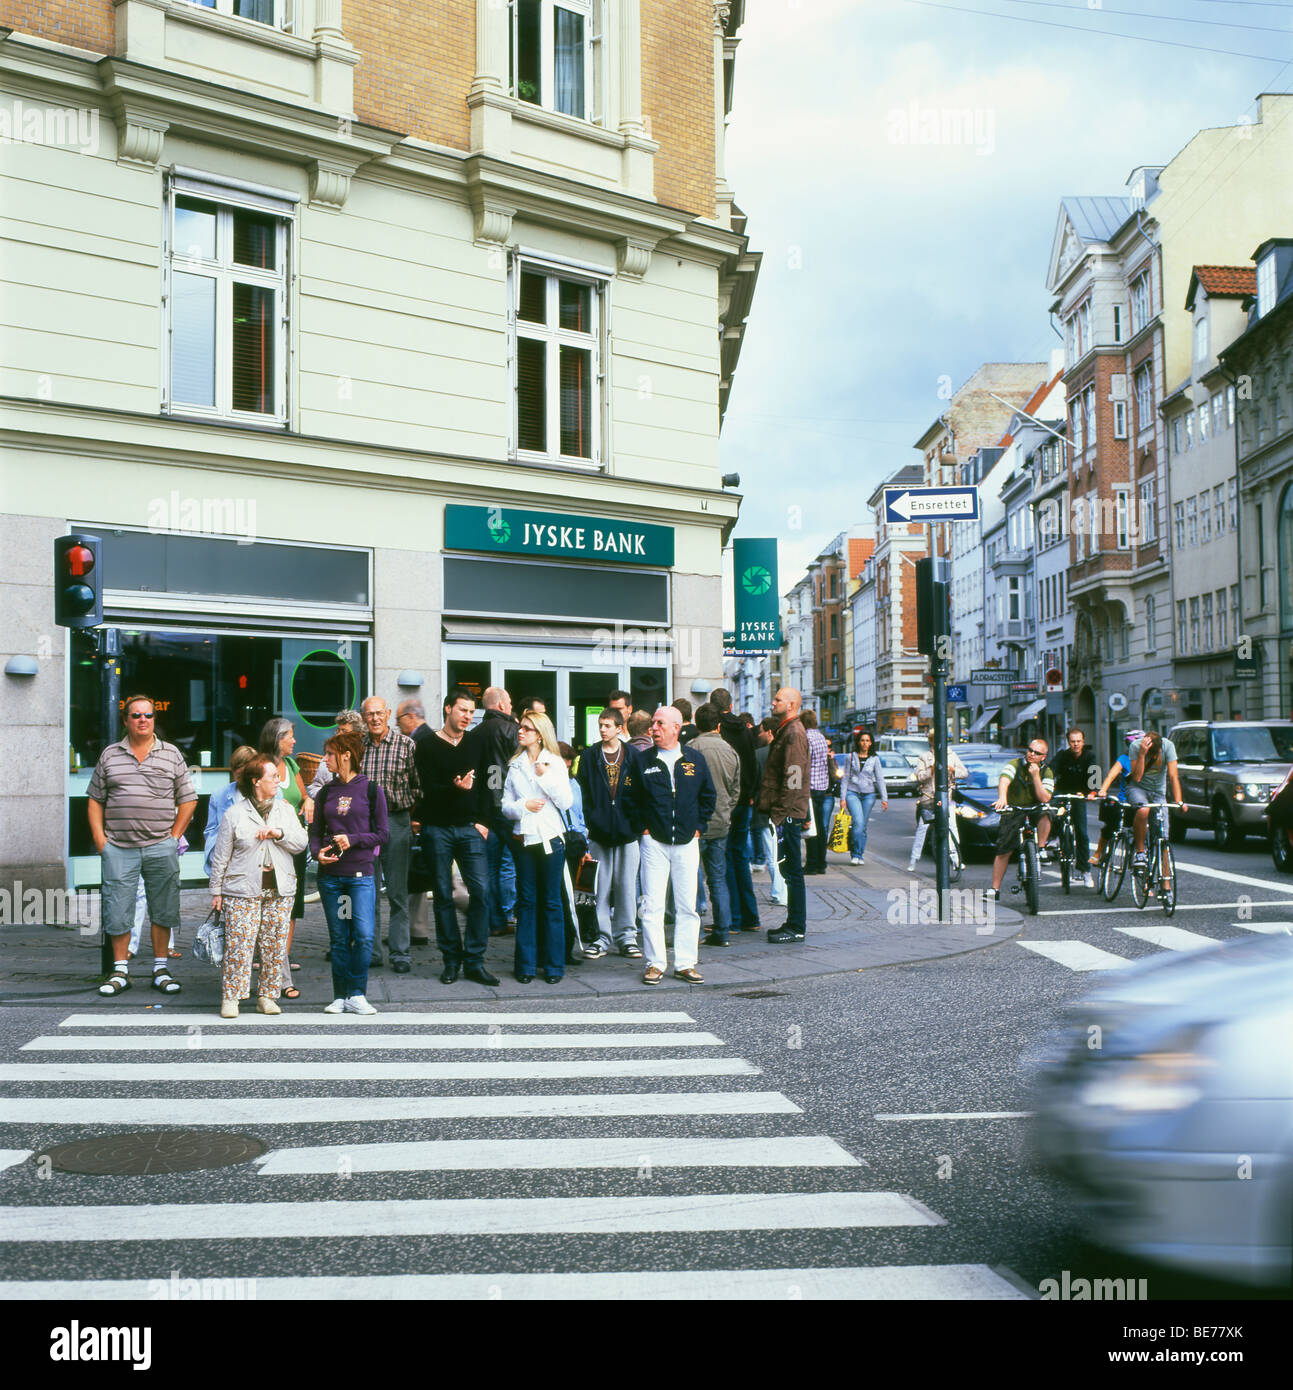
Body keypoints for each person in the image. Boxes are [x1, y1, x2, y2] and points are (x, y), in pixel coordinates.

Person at [90, 695, 197, 998]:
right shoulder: (110, 755)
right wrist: (101, 842)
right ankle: (120, 970)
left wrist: (174, 837)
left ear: (154, 720)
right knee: (117, 907)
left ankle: (160, 968)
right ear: (125, 720)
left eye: (148, 715)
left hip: (160, 845)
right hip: (119, 847)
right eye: (136, 715)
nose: (142, 720)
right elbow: (95, 799)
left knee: (163, 909)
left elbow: (188, 799)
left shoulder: (171, 754)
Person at [208, 754, 308, 1018]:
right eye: (272, 776)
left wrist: (279, 833)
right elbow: (221, 855)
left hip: (279, 888)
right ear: (256, 782)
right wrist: (216, 891)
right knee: (239, 945)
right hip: (241, 889)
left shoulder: (284, 809)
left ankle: (267, 995)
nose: (278, 781)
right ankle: (231, 997)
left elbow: (301, 842)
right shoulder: (235, 814)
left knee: (274, 946)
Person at [624, 706, 716, 984]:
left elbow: (708, 796)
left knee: (687, 905)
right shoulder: (641, 761)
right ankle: (655, 963)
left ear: (676, 727)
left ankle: (686, 963)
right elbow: (630, 799)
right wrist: (644, 828)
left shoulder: (695, 760)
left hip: (687, 842)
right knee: (651, 905)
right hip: (654, 842)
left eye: (660, 723)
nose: (654, 728)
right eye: (653, 723)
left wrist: (699, 828)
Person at [414, 687, 499, 986]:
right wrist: (455, 787)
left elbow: (492, 779)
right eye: (462, 710)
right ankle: (451, 960)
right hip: (437, 828)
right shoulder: (425, 745)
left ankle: (474, 960)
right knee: (443, 896)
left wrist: (486, 820)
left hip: (471, 828)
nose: (467, 716)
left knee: (482, 892)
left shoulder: (478, 743)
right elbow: (424, 790)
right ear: (448, 708)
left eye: (471, 712)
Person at [311, 729, 389, 1014]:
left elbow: (382, 834)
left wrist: (353, 839)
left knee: (365, 935)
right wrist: (316, 852)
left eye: (330, 754)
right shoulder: (326, 792)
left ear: (347, 755)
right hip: (331, 878)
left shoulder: (371, 790)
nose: (325, 759)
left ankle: (357, 993)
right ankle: (340, 995)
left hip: (360, 876)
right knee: (340, 938)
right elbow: (316, 830)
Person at [502, 712, 572, 984]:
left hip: (550, 838)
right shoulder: (515, 764)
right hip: (524, 839)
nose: (521, 731)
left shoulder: (553, 762)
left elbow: (566, 801)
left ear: (540, 734)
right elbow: (506, 806)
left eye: (527, 728)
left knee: (552, 901)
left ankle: (554, 966)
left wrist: (545, 778)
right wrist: (524, 807)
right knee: (527, 902)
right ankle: (526, 966)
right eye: (521, 727)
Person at [360, 696, 420, 975]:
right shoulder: (357, 748)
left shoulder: (406, 745)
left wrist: (412, 817)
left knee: (397, 891)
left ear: (386, 715)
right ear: (363, 717)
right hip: (364, 826)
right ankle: (371, 951)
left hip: (396, 821)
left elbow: (419, 785)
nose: (374, 719)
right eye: (369, 714)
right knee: (367, 892)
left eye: (378, 713)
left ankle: (400, 952)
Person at [577, 707, 642, 959]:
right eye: (600, 725)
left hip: (627, 832)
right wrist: (591, 822)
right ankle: (601, 937)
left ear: (619, 727)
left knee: (627, 887)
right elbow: (583, 793)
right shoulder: (590, 756)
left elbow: (640, 793)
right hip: (599, 832)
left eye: (607, 725)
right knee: (599, 887)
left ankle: (627, 936)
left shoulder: (633, 755)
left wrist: (634, 824)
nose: (603, 729)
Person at [258, 718, 309, 998]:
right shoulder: (261, 764)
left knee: (291, 905)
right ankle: (270, 962)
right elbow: (248, 798)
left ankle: (282, 960)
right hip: (268, 847)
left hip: (291, 844)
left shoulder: (291, 766)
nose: (294, 741)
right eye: (290, 736)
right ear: (277, 739)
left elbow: (303, 796)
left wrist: (309, 802)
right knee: (268, 903)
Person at [757, 687, 811, 943]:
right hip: (786, 811)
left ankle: (796, 926)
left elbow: (794, 777)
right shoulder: (788, 730)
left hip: (788, 813)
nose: (772, 703)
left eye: (778, 699)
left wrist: (780, 813)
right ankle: (793, 923)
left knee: (791, 871)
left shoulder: (793, 733)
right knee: (788, 869)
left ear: (791, 705)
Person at [711, 687, 761, 933]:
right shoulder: (745, 729)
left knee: (724, 858)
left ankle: (733, 917)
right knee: (740, 856)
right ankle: (751, 916)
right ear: (730, 705)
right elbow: (751, 765)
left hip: (725, 802)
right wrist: (750, 794)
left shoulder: (716, 730)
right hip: (744, 801)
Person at [690, 702, 740, 947]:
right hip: (721, 821)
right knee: (718, 879)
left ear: (697, 725)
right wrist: (726, 810)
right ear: (718, 725)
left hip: (696, 824)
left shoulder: (691, 748)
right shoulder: (729, 750)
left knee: (690, 878)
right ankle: (722, 931)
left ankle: (692, 931)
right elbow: (735, 789)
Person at [473, 686, 520, 938]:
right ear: (501, 705)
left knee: (489, 868)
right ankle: (521, 915)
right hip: (509, 808)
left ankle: (495, 921)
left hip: (484, 812)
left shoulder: (475, 733)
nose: (511, 706)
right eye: (510, 702)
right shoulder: (512, 730)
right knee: (520, 863)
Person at [988, 737, 1055, 901]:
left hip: (1035, 809)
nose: (1031, 754)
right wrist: (1002, 797)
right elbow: (1004, 779)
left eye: (1037, 753)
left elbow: (1045, 797)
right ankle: (994, 889)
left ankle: (1040, 848)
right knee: (1004, 849)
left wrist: (1035, 776)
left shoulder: (1047, 772)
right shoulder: (1015, 764)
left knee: (1048, 812)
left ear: (1043, 757)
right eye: (1030, 750)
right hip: (1014, 809)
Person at [395, 698, 433, 944]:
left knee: (442, 878)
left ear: (410, 716)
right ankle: (416, 930)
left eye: (398, 720)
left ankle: (484, 908)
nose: (397, 726)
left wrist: (417, 816)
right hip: (424, 816)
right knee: (417, 871)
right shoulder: (427, 737)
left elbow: (422, 783)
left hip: (423, 817)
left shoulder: (420, 741)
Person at [1127, 730, 1183, 884]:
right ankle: (1140, 852)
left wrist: (1179, 801)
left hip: (1158, 791)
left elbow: (1173, 776)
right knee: (1143, 809)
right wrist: (1142, 755)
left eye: (1155, 753)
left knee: (1163, 838)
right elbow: (1136, 777)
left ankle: (1165, 882)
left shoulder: (1168, 746)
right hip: (1137, 788)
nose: (1155, 756)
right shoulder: (1135, 746)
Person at [907, 730, 968, 872]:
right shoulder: (924, 757)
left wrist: (953, 770)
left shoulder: (951, 755)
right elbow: (920, 776)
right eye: (934, 739)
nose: (938, 742)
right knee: (922, 828)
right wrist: (931, 770)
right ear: (930, 741)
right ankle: (913, 860)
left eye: (941, 739)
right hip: (929, 798)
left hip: (947, 797)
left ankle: (956, 860)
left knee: (952, 827)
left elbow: (964, 773)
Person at [1053, 727, 1098, 887]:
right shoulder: (1062, 755)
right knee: (1051, 813)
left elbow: (1094, 773)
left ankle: (1085, 871)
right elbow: (1051, 770)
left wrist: (1092, 792)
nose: (1076, 744)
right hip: (1063, 793)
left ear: (1083, 742)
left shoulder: (1089, 756)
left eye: (1079, 741)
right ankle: (1054, 838)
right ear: (1068, 742)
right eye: (1073, 741)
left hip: (1080, 795)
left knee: (1082, 833)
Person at [751, 716, 787, 905]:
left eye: (762, 730)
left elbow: (755, 783)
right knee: (782, 852)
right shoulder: (786, 753)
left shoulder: (759, 754)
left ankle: (779, 893)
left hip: (764, 810)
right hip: (783, 809)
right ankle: (782, 891)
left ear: (770, 732)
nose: (759, 734)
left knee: (771, 853)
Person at [842, 729, 887, 865]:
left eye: (867, 740)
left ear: (871, 743)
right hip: (852, 793)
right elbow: (845, 778)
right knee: (858, 822)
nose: (865, 743)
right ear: (858, 742)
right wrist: (843, 798)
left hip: (869, 795)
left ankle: (859, 855)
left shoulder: (874, 759)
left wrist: (884, 798)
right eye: (862, 740)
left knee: (863, 826)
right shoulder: (850, 757)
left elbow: (880, 779)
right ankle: (855, 854)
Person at [1090, 737, 1135, 870]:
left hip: (1141, 802)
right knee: (1112, 824)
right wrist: (1103, 789)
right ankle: (1099, 852)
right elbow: (1111, 775)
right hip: (1125, 800)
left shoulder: (1149, 759)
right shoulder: (1124, 759)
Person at [802, 710, 832, 874]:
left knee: (810, 827)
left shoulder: (807, 738)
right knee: (820, 827)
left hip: (810, 787)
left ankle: (812, 863)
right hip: (822, 787)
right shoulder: (821, 737)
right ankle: (822, 862)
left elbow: (805, 763)